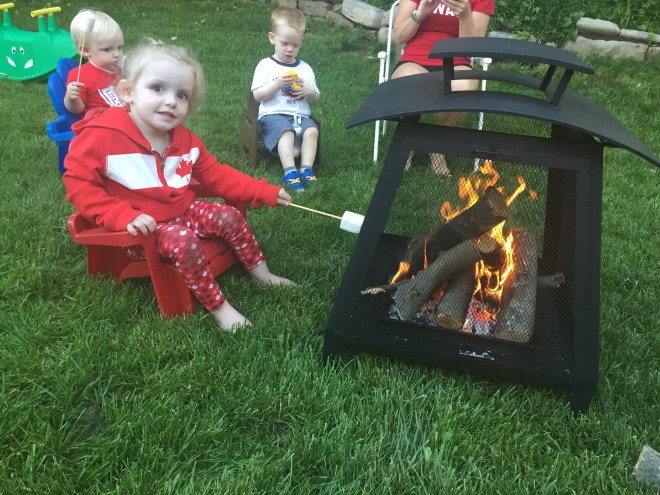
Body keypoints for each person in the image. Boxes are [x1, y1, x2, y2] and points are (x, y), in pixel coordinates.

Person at [63, 40, 295, 332]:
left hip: (182, 210)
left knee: (230, 216)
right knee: (183, 241)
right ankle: (219, 308)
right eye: (157, 88)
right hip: (140, 230)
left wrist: (264, 192)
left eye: (182, 95)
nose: (171, 101)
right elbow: (78, 183)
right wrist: (120, 215)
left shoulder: (184, 139)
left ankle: (262, 273)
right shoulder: (102, 136)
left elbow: (219, 175)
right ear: (127, 92)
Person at [392, 0, 494, 176]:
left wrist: (465, 15)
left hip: (456, 62)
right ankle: (408, 140)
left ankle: (437, 144)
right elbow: (399, 36)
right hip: (415, 59)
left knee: (464, 86)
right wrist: (421, 13)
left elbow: (472, 48)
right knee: (408, 83)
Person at [251, 7, 320, 192]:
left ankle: (306, 169)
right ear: (272, 38)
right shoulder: (266, 66)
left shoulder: (305, 68)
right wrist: (277, 85)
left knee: (312, 130)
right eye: (285, 43)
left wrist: (309, 90)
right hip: (273, 115)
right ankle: (290, 172)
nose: (290, 49)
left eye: (295, 45)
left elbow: (315, 98)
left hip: (300, 116)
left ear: (301, 42)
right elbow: (258, 95)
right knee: (286, 132)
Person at [64, 9, 125, 118]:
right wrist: (71, 98)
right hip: (103, 122)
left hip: (130, 117)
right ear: (85, 50)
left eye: (119, 47)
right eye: (107, 49)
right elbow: (77, 109)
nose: (117, 54)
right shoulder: (80, 76)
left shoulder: (122, 69)